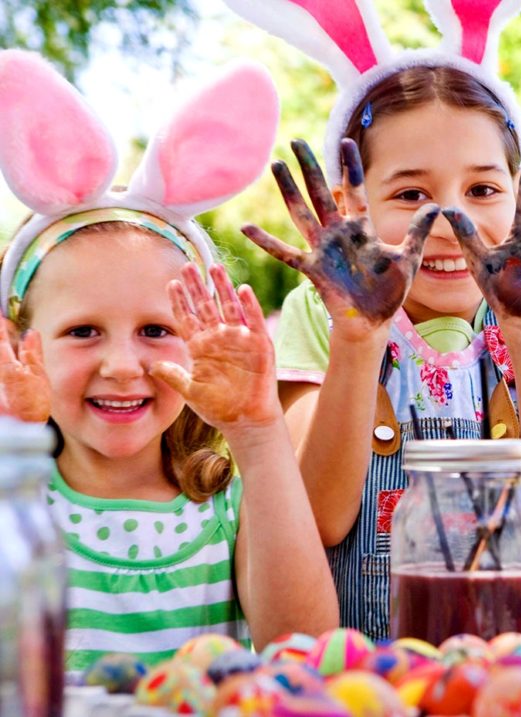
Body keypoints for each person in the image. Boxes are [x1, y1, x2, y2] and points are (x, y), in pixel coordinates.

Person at [226, 0, 521, 638]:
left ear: (518, 191)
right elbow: (320, 517)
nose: (450, 222)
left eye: (482, 190)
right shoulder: (323, 315)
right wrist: (358, 342)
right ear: (351, 205)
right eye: (411, 194)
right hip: (370, 679)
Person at [0, 51, 337, 668]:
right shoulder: (16, 504)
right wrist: (12, 441)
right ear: (19, 345)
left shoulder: (231, 504)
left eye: (156, 329)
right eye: (82, 332)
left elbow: (303, 649)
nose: (124, 365)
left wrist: (259, 432)